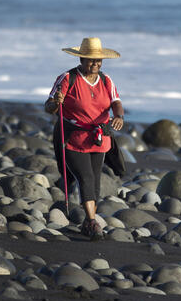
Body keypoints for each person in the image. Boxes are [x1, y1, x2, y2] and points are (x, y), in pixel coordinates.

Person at [45, 37, 125, 240]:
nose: (95, 63)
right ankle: (91, 221)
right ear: (81, 59)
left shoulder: (106, 80)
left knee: (95, 182)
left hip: (99, 138)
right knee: (86, 178)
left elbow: (116, 102)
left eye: (98, 60)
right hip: (73, 138)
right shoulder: (67, 78)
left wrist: (119, 117)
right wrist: (56, 103)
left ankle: (87, 223)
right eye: (91, 60)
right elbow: (49, 107)